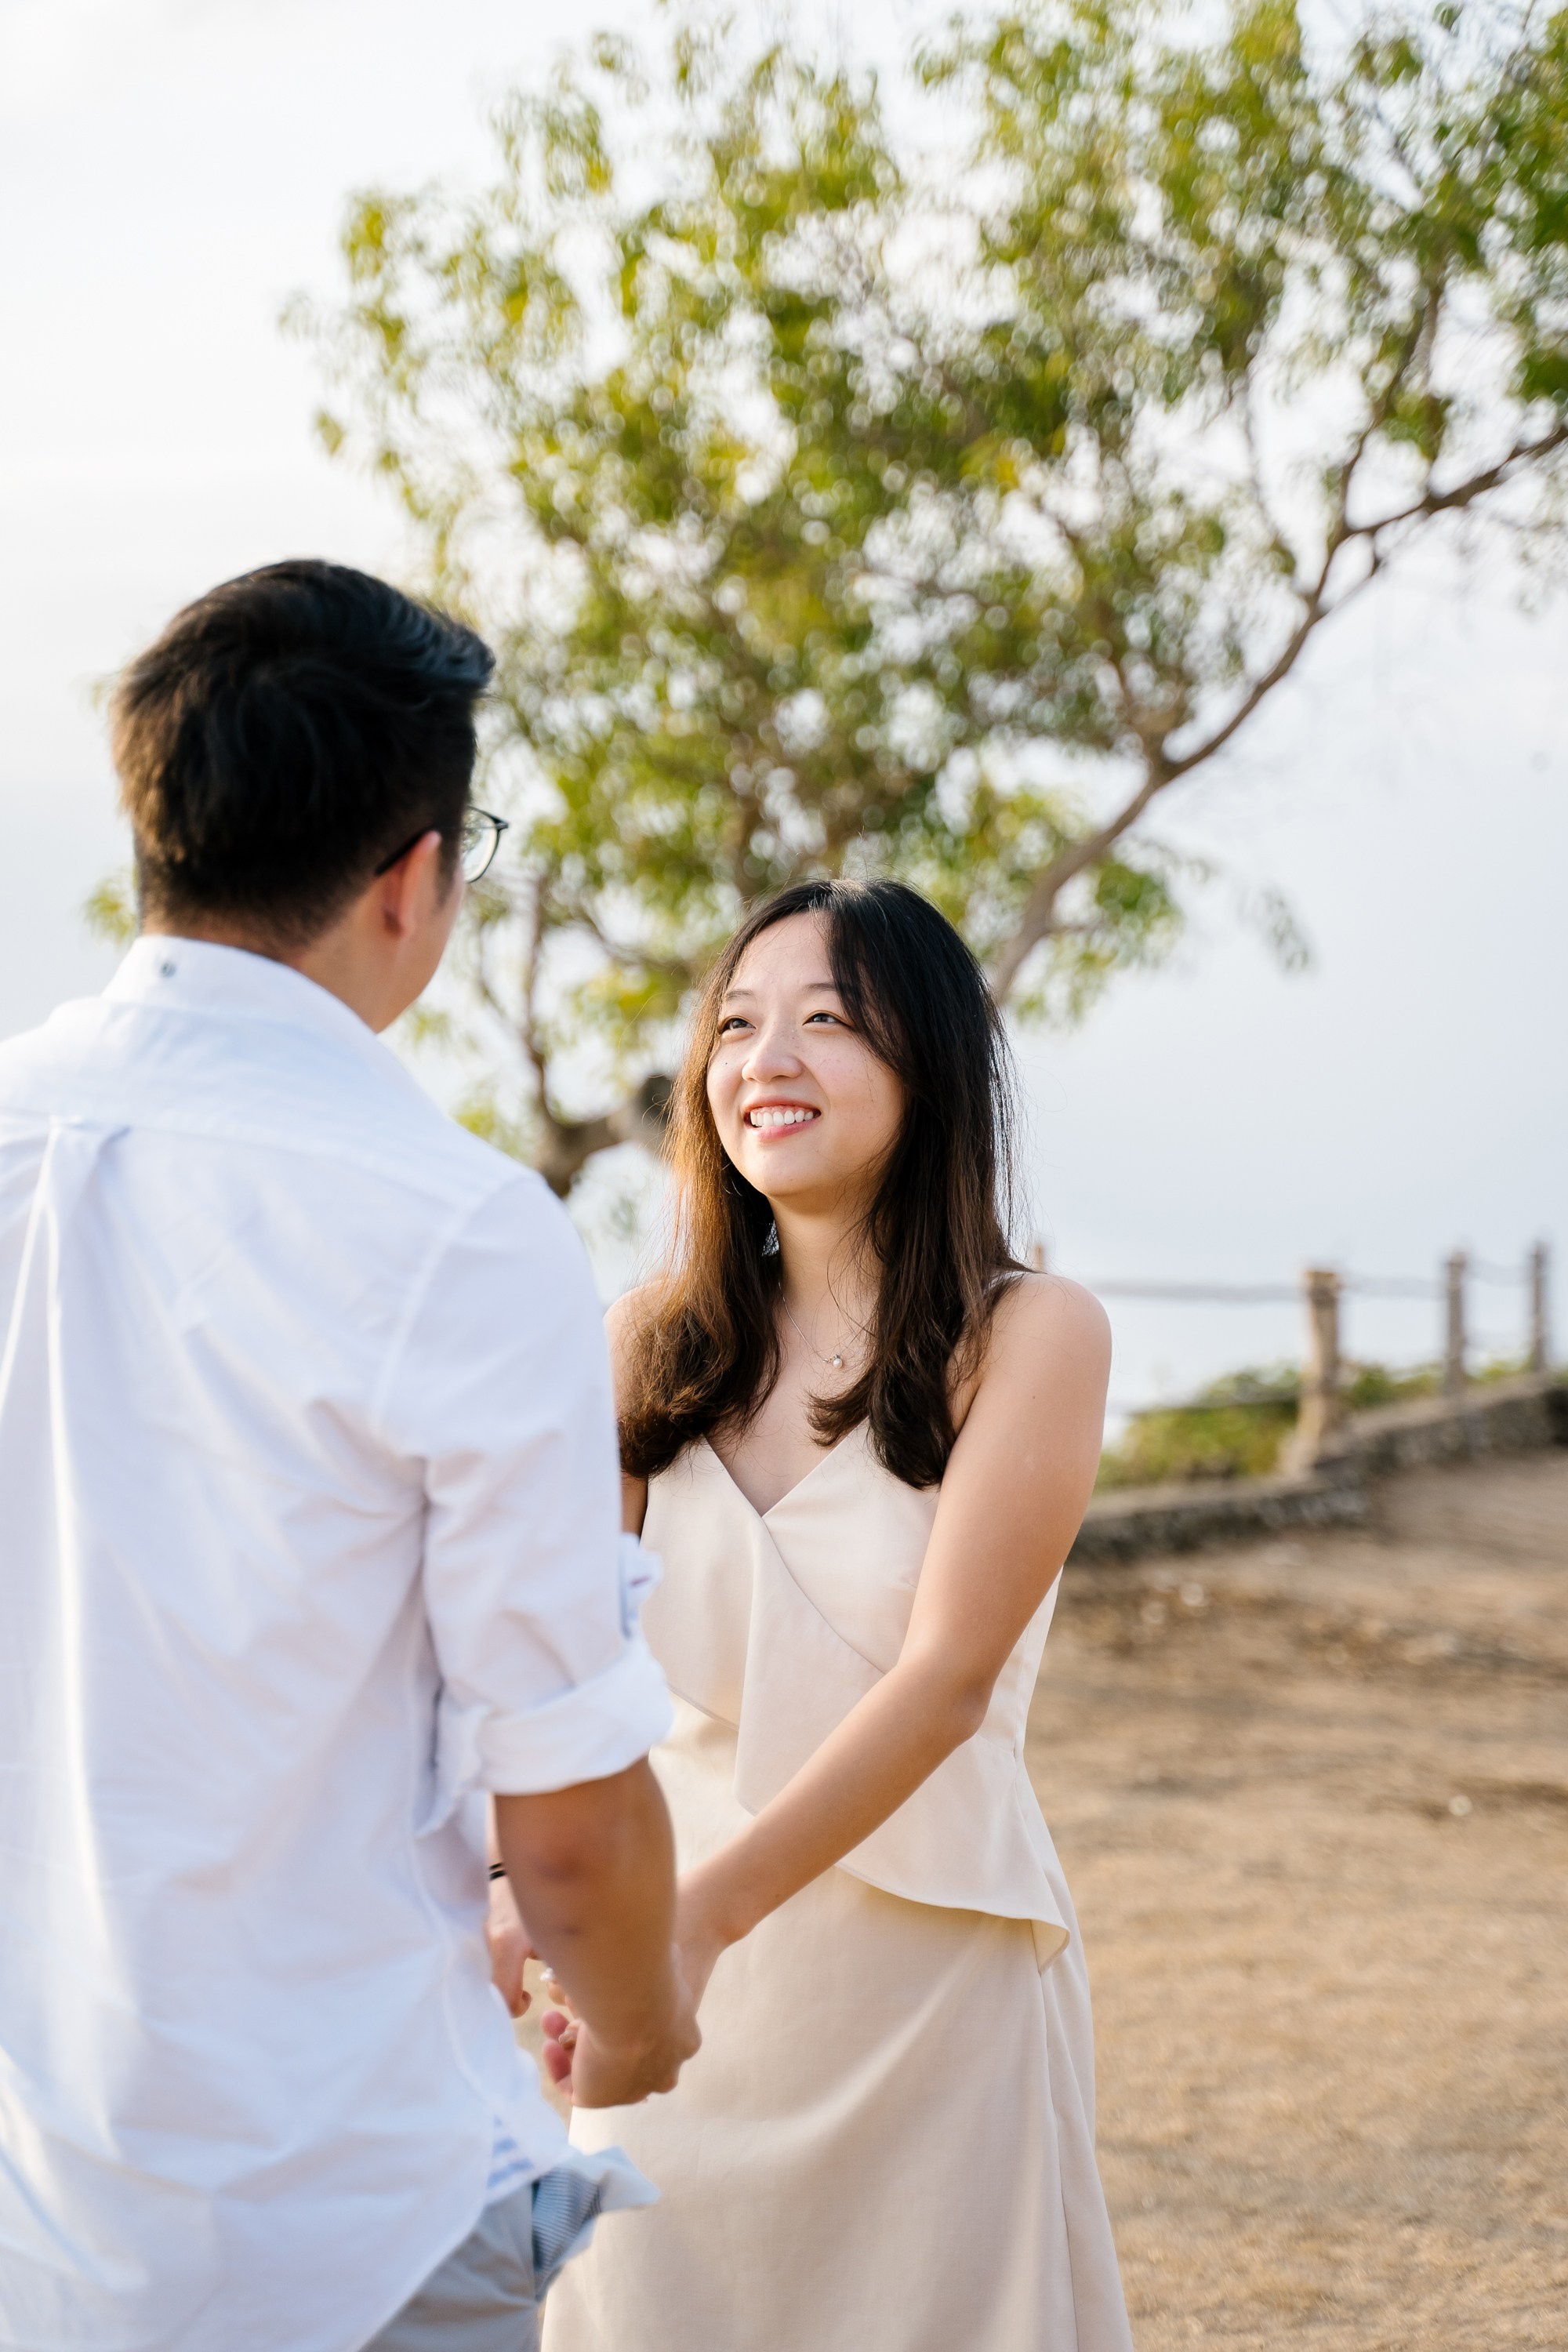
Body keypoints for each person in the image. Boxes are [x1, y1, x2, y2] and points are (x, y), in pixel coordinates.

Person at [0, 561, 697, 2352]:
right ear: (413, 875)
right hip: (326, 2216)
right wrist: (636, 2022)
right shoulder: (455, 1230)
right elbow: (565, 1829)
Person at [535, 877, 1134, 2352]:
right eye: (736, 1026)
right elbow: (555, 1664)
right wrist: (535, 1912)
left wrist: (701, 1923)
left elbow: (943, 1684)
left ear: (926, 1067)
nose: (766, 1061)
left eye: (827, 1021)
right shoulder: (643, 1341)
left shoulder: (1031, 1332)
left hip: (914, 1974)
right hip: (650, 1980)